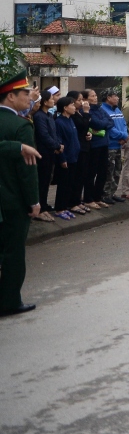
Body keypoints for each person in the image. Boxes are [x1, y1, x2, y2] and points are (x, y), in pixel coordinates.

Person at [0, 67, 42, 317]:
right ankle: (10, 300)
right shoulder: (20, 126)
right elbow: (28, 171)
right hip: (12, 201)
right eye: (25, 93)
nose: (30, 97)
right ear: (10, 97)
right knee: (13, 253)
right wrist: (34, 201)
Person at [53, 96, 87, 218]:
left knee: (70, 183)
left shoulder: (70, 120)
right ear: (65, 108)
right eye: (71, 105)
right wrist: (62, 159)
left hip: (74, 157)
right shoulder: (59, 122)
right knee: (63, 184)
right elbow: (60, 141)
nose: (74, 107)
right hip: (66, 158)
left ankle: (66, 206)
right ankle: (59, 208)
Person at [31, 90, 60, 222]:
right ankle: (40, 209)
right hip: (43, 153)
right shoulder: (39, 117)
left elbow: (53, 133)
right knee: (42, 181)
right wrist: (56, 145)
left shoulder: (49, 115)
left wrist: (57, 145)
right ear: (45, 101)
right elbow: (43, 135)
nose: (53, 100)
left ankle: (44, 205)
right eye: (51, 99)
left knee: (47, 180)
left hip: (51, 152)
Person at [97, 89, 128, 204]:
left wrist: (125, 135)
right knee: (108, 171)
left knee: (117, 170)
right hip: (110, 145)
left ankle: (112, 193)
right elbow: (109, 128)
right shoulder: (103, 110)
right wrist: (122, 135)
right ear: (108, 98)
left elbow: (124, 124)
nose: (117, 98)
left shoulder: (117, 109)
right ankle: (105, 194)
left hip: (119, 144)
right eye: (115, 96)